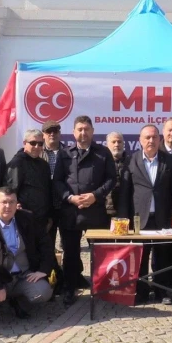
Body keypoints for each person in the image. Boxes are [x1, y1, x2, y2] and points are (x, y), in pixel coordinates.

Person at [53, 116, 117, 305]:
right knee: (71, 254)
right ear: (73, 132)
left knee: (100, 252)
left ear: (92, 131)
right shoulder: (64, 154)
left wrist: (95, 196)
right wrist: (70, 198)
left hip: (95, 211)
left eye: (86, 129)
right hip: (70, 212)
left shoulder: (103, 153)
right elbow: (57, 181)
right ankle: (70, 289)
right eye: (79, 129)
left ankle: (103, 289)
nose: (83, 133)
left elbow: (111, 179)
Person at [119, 125, 172, 305]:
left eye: (154, 137)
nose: (151, 140)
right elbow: (125, 191)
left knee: (163, 257)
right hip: (139, 219)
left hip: (163, 217)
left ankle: (161, 292)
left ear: (159, 139)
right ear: (140, 140)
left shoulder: (169, 161)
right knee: (140, 256)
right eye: (147, 137)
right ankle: (140, 291)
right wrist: (123, 219)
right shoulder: (131, 161)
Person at [0, 187, 54, 322]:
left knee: (43, 292)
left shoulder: (28, 219)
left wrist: (43, 269)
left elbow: (46, 244)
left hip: (23, 276)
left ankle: (18, 300)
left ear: (16, 204)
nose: (8, 206)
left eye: (12, 202)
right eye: (3, 202)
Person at [5, 129, 52, 229]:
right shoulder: (17, 163)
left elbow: (48, 191)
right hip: (24, 219)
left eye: (40, 144)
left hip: (43, 219)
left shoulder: (44, 165)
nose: (37, 147)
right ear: (24, 143)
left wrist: (50, 216)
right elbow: (10, 190)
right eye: (33, 143)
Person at [41, 120, 66, 250]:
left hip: (64, 203)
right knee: (47, 242)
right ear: (43, 134)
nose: (52, 134)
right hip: (45, 204)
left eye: (55, 131)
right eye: (48, 131)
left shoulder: (68, 152)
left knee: (68, 244)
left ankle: (70, 270)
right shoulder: (37, 152)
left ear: (59, 134)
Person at [105, 131, 130, 218]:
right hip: (106, 212)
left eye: (119, 142)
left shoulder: (132, 162)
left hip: (127, 211)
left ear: (123, 144)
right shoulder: (101, 163)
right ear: (107, 144)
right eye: (113, 142)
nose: (116, 144)